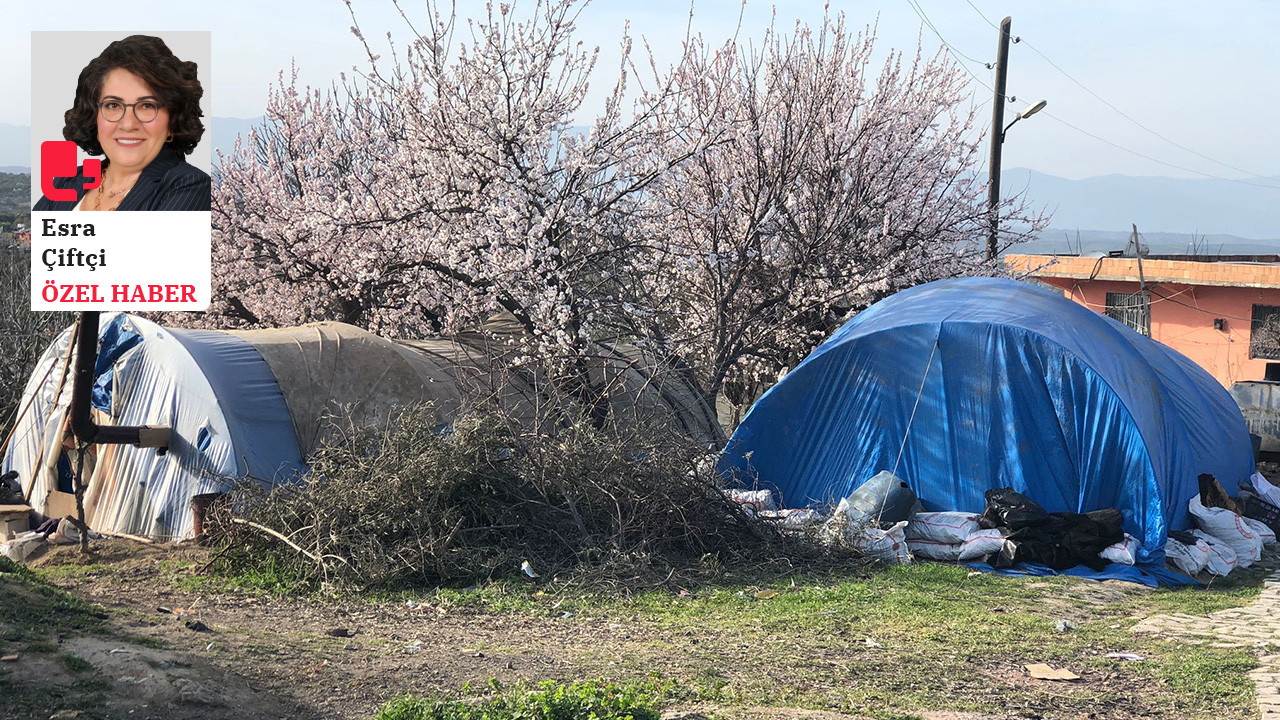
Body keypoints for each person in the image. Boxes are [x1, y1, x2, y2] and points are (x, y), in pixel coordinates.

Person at [33, 35, 210, 211]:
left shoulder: (190, 186)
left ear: (173, 120)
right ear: (94, 116)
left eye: (147, 106)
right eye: (113, 105)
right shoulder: (68, 181)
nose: (128, 124)